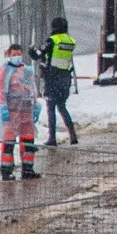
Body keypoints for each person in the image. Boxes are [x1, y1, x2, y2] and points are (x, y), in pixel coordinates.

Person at [0, 43, 43, 181]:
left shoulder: (27, 71)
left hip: (26, 111)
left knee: (28, 141)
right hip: (11, 112)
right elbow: (0, 91)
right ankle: (6, 170)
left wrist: (35, 105)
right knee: (9, 142)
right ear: (8, 55)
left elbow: (32, 89)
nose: (17, 57)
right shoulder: (4, 71)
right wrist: (3, 108)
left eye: (19, 54)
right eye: (14, 54)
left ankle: (28, 169)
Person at [41, 16, 78, 147]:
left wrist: (31, 51)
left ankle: (52, 138)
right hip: (65, 78)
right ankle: (73, 134)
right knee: (62, 107)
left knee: (50, 108)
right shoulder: (70, 41)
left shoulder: (52, 40)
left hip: (52, 78)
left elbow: (40, 53)